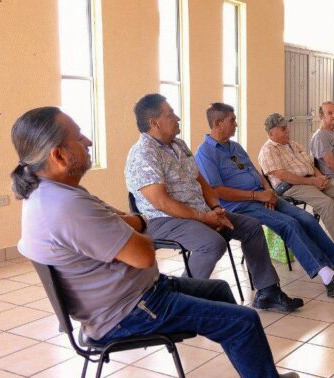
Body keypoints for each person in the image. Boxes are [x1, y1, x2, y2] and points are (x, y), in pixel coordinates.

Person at [12, 107, 321, 378]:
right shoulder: (67, 206)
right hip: (128, 311)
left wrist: (132, 224)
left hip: (134, 295)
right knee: (243, 320)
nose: (88, 141)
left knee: (218, 290)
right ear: (58, 155)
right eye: (79, 138)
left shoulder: (54, 193)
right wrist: (139, 226)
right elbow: (144, 253)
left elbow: (125, 220)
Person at [124, 94, 301, 312]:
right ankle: (180, 304)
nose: (177, 117)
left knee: (251, 227)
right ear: (154, 123)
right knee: (211, 243)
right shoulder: (143, 153)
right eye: (170, 114)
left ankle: (268, 292)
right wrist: (203, 218)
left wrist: (216, 208)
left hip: (200, 212)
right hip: (164, 219)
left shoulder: (179, 145)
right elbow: (161, 202)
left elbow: (201, 181)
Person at [195, 103, 334, 299]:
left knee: (306, 218)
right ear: (218, 123)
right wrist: (257, 196)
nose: (236, 124)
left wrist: (267, 191)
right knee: (289, 224)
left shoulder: (235, 147)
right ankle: (328, 277)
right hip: (240, 205)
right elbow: (217, 191)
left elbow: (255, 172)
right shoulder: (205, 152)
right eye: (232, 120)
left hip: (263, 196)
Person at [257, 112, 334, 260]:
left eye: (286, 127)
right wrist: (311, 181)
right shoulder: (267, 150)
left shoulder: (293, 144)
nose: (288, 131)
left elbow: (310, 165)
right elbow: (283, 176)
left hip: (311, 180)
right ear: (271, 133)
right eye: (283, 129)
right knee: (327, 204)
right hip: (292, 186)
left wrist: (319, 176)